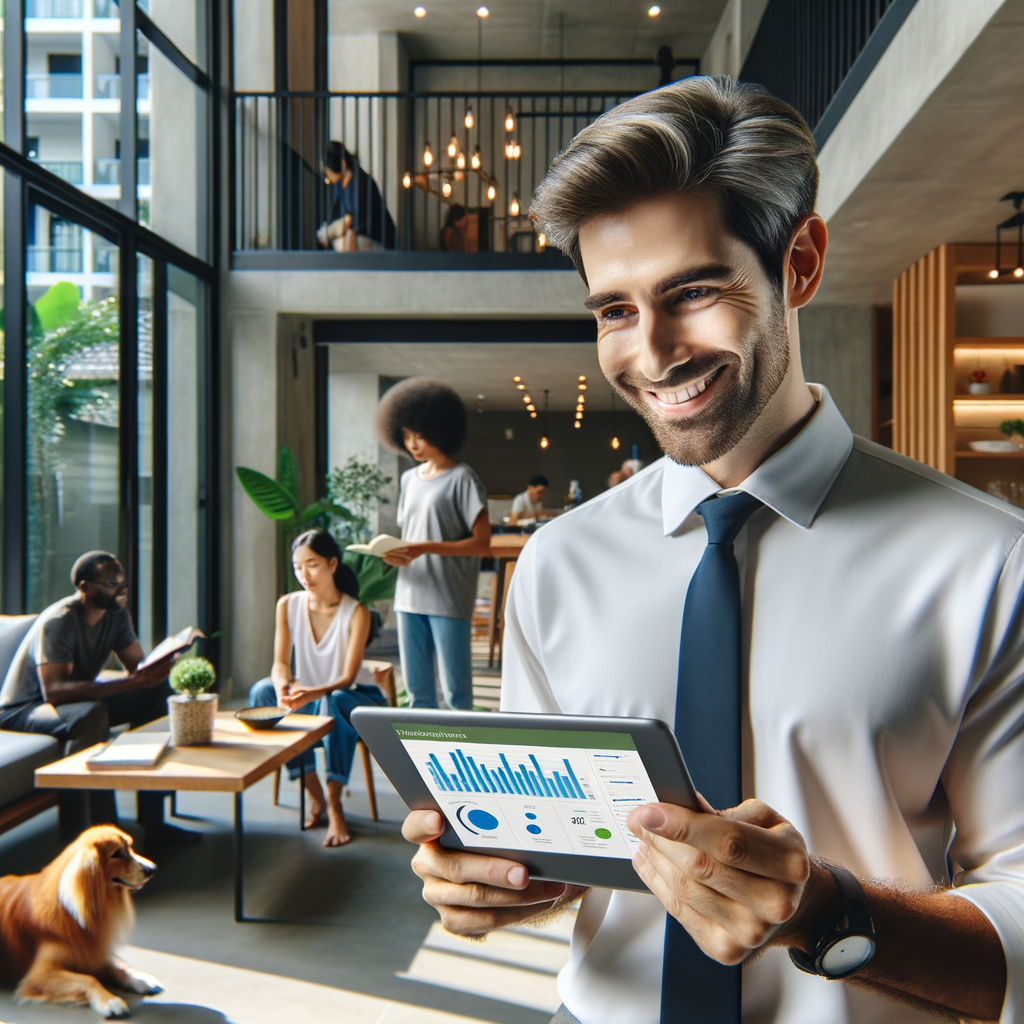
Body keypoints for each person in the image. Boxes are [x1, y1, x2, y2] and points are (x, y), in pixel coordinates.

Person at [400, 76, 1024, 1024]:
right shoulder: (560, 566)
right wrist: (503, 879)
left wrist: (824, 912)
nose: (651, 352)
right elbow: (575, 852)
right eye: (613, 309)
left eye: (691, 291)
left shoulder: (988, 563)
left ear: (800, 263)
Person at [0, 551, 186, 844]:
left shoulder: (116, 614)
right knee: (90, 714)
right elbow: (55, 691)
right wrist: (128, 683)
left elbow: (137, 668)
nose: (122, 588)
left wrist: (160, 666)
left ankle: (153, 822)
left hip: (72, 700)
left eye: (122, 580)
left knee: (156, 694)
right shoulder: (59, 622)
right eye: (111, 584)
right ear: (85, 588)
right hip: (25, 708)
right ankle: (82, 839)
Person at [249, 529, 387, 847]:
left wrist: (311, 692)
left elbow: (347, 676)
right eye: (298, 567)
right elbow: (280, 663)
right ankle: (316, 796)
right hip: (311, 693)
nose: (303, 574)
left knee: (334, 700)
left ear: (332, 563)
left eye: (311, 564)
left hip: (355, 698)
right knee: (262, 692)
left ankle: (336, 804)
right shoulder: (287, 605)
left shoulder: (357, 611)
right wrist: (283, 686)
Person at [376, 378, 491, 711]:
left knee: (457, 694)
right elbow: (411, 534)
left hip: (448, 596)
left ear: (440, 430)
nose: (412, 443)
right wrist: (397, 554)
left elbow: (482, 544)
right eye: (407, 435)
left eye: (420, 435)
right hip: (408, 596)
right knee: (418, 694)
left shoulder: (462, 478)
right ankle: (422, 758)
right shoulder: (408, 480)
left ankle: (466, 758)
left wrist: (427, 547)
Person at [317, 141, 397, 252]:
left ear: (343, 163)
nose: (328, 176)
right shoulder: (339, 185)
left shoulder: (362, 181)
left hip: (378, 240)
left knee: (348, 237)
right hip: (356, 236)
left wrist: (343, 229)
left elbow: (362, 221)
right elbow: (338, 215)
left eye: (330, 171)